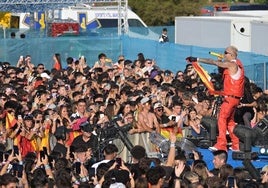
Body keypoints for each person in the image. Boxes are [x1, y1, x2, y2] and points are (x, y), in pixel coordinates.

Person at [186, 45, 245, 151]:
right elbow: (221, 70)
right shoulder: (238, 64)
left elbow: (213, 62)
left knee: (221, 119)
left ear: (231, 54)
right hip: (235, 98)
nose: (224, 54)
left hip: (230, 98)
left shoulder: (231, 64)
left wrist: (197, 59)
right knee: (230, 122)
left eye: (225, 52)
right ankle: (236, 144)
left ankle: (221, 144)